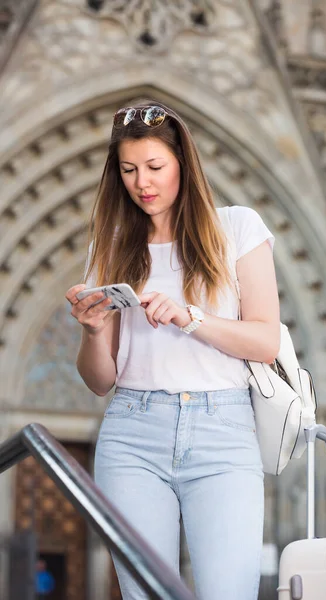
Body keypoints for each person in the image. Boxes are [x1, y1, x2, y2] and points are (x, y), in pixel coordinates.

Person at [66, 101, 280, 600]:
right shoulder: (112, 242)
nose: (143, 182)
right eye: (128, 170)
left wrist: (190, 317)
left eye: (155, 167)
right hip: (132, 432)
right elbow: (100, 381)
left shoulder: (237, 228)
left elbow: (265, 341)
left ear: (183, 162)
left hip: (222, 433)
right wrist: (93, 331)